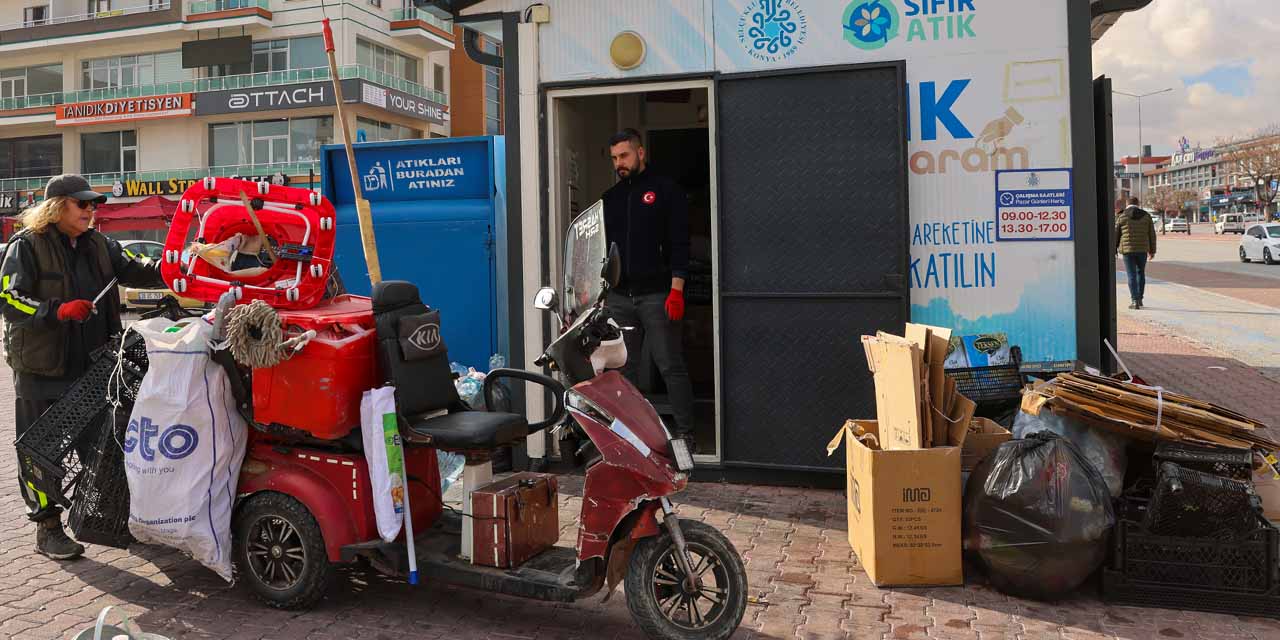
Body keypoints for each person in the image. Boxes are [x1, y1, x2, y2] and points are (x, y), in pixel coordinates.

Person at [2, 174, 162, 560]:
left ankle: (108, 516)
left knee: (102, 445)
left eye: (94, 205)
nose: (91, 210)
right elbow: (8, 298)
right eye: (83, 204)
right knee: (40, 451)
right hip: (42, 369)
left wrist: (181, 264)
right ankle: (47, 527)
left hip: (93, 366)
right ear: (57, 206)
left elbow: (141, 268)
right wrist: (55, 310)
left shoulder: (100, 245)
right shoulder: (26, 245)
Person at [600, 129, 695, 446]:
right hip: (620, 297)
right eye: (614, 158)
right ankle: (631, 434)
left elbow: (680, 243)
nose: (619, 163)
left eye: (624, 155)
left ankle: (685, 433)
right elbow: (603, 250)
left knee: (670, 363)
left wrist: (677, 289)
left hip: (658, 294)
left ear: (641, 153)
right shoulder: (610, 199)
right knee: (624, 369)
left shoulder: (665, 190)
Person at [1115, 196, 1156, 310]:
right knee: (1140, 273)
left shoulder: (1121, 216)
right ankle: (1140, 299)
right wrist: (1152, 250)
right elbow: (1151, 234)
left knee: (1131, 275)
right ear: (1138, 203)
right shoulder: (1146, 216)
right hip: (1142, 250)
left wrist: (1114, 248)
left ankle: (1134, 300)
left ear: (1127, 204)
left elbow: (1116, 233)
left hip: (1127, 251)